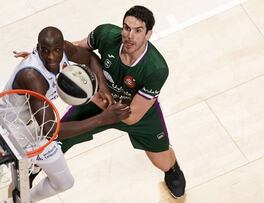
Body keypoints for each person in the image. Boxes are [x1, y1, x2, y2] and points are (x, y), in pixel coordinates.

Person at [58, 5, 186, 199]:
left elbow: (132, 117)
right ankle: (33, 170)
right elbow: (77, 48)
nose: (129, 36)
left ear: (148, 34)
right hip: (99, 99)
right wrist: (47, 58)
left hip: (136, 111)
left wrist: (93, 97)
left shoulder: (156, 69)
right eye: (126, 28)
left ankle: (172, 169)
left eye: (138, 30)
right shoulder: (107, 34)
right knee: (58, 135)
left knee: (163, 162)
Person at [7, 26, 130, 202]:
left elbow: (90, 57)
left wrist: (102, 84)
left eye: (56, 50)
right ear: (38, 47)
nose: (51, 56)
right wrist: (103, 119)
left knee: (64, 182)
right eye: (45, 51)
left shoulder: (65, 48)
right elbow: (50, 131)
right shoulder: (32, 76)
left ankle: (23, 199)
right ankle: (29, 172)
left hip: (35, 124)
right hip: (9, 129)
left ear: (62, 46)